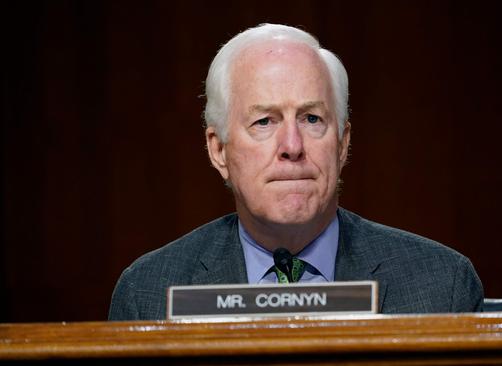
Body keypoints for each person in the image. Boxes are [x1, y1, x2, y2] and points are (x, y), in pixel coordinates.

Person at [109, 23, 483, 320]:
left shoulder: (442, 284)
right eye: (264, 121)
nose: (292, 145)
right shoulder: (148, 293)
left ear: (342, 142)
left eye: (312, 118)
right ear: (218, 149)